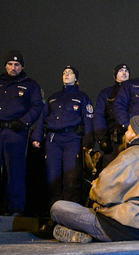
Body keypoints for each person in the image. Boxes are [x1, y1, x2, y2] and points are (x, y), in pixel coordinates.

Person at [50, 111, 139, 243]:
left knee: (58, 207)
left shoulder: (132, 155)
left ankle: (84, 233)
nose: (125, 133)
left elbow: (103, 193)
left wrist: (94, 187)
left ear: (135, 134)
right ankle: (81, 233)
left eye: (128, 130)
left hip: (120, 228)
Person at [0, 50, 43, 216]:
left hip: (15, 132)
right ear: (5, 65)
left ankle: (16, 207)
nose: (13, 68)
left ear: (22, 66)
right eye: (10, 64)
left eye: (17, 65)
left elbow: (37, 106)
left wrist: (24, 121)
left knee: (15, 171)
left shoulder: (30, 85)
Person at [32, 66, 94, 207]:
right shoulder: (54, 97)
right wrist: (37, 136)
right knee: (53, 177)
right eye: (64, 73)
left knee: (71, 177)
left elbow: (88, 119)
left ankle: (71, 211)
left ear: (76, 78)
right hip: (53, 139)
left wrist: (88, 141)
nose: (66, 75)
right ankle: (55, 211)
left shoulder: (82, 97)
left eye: (70, 73)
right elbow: (43, 118)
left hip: (72, 139)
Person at [94, 64, 129, 168]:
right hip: (112, 140)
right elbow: (99, 117)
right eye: (120, 71)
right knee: (110, 172)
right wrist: (102, 139)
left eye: (126, 71)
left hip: (130, 138)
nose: (124, 73)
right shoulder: (106, 94)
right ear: (115, 75)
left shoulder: (135, 91)